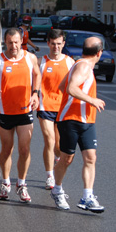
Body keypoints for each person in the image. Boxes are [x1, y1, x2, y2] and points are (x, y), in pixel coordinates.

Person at [51, 37, 106, 213]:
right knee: (67, 159)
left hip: (87, 121)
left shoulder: (80, 65)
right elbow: (70, 88)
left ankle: (87, 197)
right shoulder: (83, 66)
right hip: (71, 120)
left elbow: (61, 86)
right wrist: (91, 100)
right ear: (99, 53)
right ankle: (57, 189)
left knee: (91, 158)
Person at [0, 28, 41, 203]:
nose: (13, 46)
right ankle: (6, 182)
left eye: (16, 42)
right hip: (4, 111)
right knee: (7, 149)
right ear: (5, 42)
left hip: (25, 111)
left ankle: (22, 184)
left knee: (24, 149)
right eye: (10, 42)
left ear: (21, 41)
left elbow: (37, 74)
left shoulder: (30, 58)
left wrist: (35, 93)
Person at [37, 29, 75, 189]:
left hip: (63, 108)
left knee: (59, 146)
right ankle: (49, 176)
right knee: (49, 141)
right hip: (45, 106)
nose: (56, 47)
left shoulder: (70, 62)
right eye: (53, 44)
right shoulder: (42, 62)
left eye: (59, 44)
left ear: (63, 44)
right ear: (48, 44)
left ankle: (57, 159)